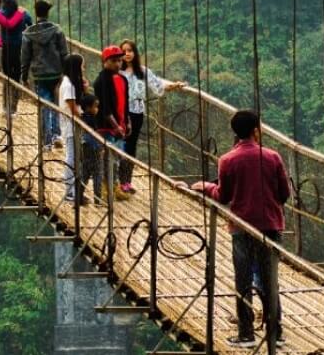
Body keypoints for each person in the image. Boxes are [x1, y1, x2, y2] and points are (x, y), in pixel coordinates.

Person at [190, 110, 289, 348]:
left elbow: (223, 196)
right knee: (270, 279)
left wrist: (205, 187)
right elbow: (284, 194)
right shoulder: (273, 157)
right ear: (257, 130)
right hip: (271, 227)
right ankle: (275, 333)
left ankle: (246, 334)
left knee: (243, 279)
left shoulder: (227, 160)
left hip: (242, 228)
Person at [118, 39, 185, 194]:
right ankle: (115, 181)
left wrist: (174, 85)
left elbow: (158, 85)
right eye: (124, 51)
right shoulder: (118, 71)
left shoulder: (142, 71)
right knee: (118, 145)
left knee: (130, 146)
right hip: (120, 112)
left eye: (130, 50)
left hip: (136, 113)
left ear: (135, 53)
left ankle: (126, 181)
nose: (127, 54)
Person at [22, 0, 69, 150]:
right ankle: (57, 134)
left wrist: (24, 76)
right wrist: (66, 73)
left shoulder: (29, 34)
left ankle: (46, 142)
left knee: (44, 107)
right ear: (48, 12)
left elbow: (25, 57)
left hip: (39, 75)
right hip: (56, 74)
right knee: (56, 104)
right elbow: (64, 53)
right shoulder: (57, 31)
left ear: (35, 12)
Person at [92, 46, 130, 202]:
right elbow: (105, 108)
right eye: (114, 61)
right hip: (106, 126)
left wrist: (127, 121)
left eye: (120, 61)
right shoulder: (101, 81)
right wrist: (116, 126)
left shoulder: (123, 79)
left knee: (116, 159)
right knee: (107, 159)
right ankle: (105, 189)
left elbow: (125, 103)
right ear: (105, 62)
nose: (118, 64)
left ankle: (115, 187)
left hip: (119, 125)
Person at [0, 0, 33, 117]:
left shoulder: (1, 13)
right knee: (16, 77)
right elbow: (31, 24)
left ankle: (5, 106)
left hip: (6, 48)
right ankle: (13, 108)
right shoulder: (23, 13)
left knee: (6, 76)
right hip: (19, 49)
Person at [59, 53, 89, 204]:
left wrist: (83, 87)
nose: (83, 68)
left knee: (76, 157)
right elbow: (73, 110)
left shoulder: (69, 82)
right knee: (72, 157)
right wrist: (86, 122)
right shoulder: (69, 85)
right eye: (82, 66)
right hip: (72, 126)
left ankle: (74, 190)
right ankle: (70, 191)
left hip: (72, 126)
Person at [77, 93, 102, 205]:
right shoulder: (92, 119)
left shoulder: (82, 118)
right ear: (88, 107)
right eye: (95, 106)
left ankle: (79, 196)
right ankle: (98, 199)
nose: (97, 109)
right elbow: (96, 134)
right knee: (97, 173)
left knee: (85, 173)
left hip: (85, 147)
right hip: (94, 148)